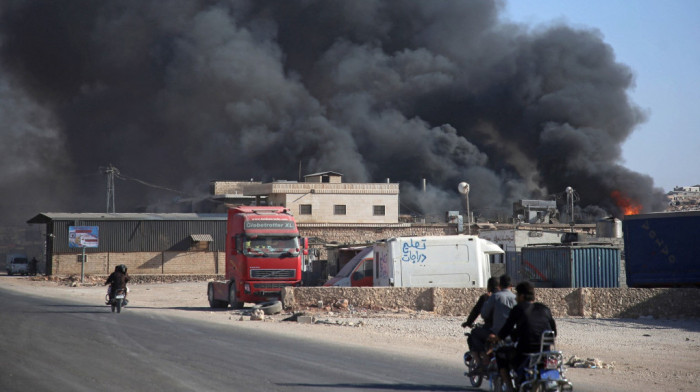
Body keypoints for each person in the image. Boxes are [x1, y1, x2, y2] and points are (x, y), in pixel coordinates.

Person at [491, 281, 557, 392]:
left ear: (522, 296)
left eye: (516, 295)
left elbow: (506, 329)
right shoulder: (544, 309)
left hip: (525, 352)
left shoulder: (518, 309)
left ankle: (509, 387)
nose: (515, 298)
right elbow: (553, 331)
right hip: (545, 352)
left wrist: (497, 338)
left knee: (500, 353)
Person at [461, 276, 499, 375]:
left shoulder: (487, 297)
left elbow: (476, 311)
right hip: (506, 329)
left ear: (489, 286)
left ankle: (480, 362)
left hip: (491, 328)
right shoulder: (509, 296)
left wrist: (468, 322)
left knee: (473, 335)